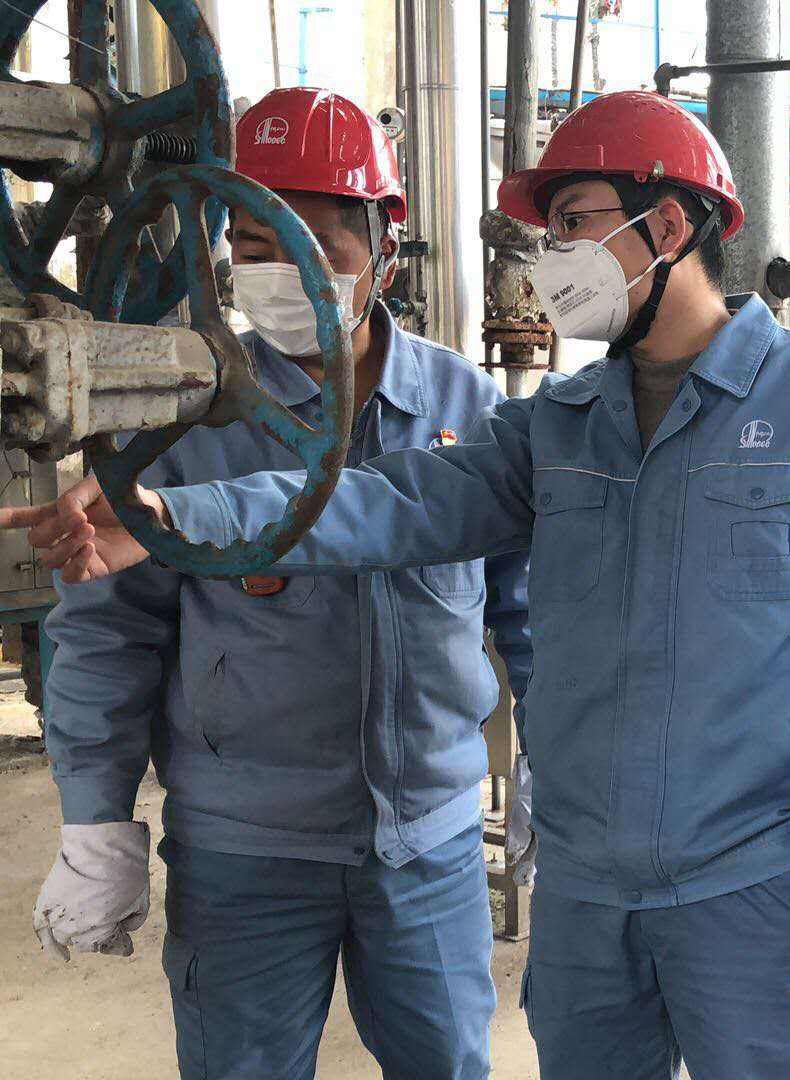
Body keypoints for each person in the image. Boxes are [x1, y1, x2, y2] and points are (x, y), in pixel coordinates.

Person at [9, 89, 790, 1080]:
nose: (551, 259)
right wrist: (172, 517)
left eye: (571, 224)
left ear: (667, 228)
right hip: (585, 888)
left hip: (755, 876)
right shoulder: (559, 424)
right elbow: (387, 499)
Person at [28, 88, 531, 1080]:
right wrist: (95, 816)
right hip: (245, 850)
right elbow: (107, 633)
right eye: (254, 243)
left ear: (385, 248)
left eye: (311, 245)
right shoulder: (180, 420)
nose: (278, 271)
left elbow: (533, 613)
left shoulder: (467, 407)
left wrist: (557, 772)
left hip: (426, 845)